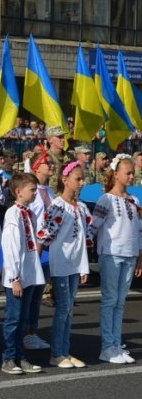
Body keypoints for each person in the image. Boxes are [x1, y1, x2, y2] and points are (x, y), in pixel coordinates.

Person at [36, 162, 91, 369]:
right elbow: (44, 235)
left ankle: (65, 350)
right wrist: (36, 261)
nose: (82, 182)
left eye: (82, 178)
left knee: (68, 309)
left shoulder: (81, 207)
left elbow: (83, 239)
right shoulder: (57, 206)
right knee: (63, 308)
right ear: (64, 180)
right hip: (61, 263)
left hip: (75, 264)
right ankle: (56, 353)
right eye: (78, 178)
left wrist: (84, 266)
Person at [91, 154, 142, 364]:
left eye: (133, 173)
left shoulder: (134, 200)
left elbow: (139, 230)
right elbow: (93, 227)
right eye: (127, 173)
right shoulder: (106, 199)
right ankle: (107, 346)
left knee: (120, 302)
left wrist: (139, 255)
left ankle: (116, 344)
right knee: (110, 300)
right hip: (111, 254)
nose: (131, 176)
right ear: (116, 173)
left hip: (130, 254)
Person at [0, 173, 45, 375]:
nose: (35, 193)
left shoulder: (30, 213)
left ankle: (20, 356)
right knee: (13, 318)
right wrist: (14, 277)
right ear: (18, 192)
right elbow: (10, 247)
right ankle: (8, 358)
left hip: (28, 273)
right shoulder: (13, 214)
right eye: (32, 190)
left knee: (23, 319)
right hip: (17, 277)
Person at [24, 149, 55, 351]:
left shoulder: (50, 191)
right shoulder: (31, 191)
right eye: (48, 163)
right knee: (29, 292)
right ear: (37, 167)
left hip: (46, 249)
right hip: (33, 247)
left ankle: (32, 331)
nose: (52, 166)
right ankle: (25, 333)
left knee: (38, 293)